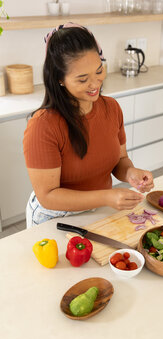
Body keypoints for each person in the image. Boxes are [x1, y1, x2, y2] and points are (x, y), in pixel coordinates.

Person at [23, 23, 154, 228]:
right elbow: (48, 195)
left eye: (99, 70)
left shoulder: (111, 108)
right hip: (54, 218)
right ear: (60, 79)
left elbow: (120, 160)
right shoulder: (43, 125)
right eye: (83, 79)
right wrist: (106, 197)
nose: (95, 84)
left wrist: (131, 174)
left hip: (99, 211)